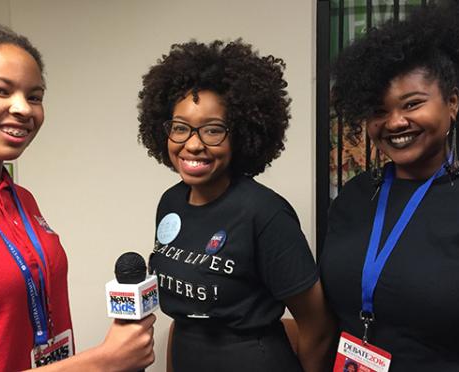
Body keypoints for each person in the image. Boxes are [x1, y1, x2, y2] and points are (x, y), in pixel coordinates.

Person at [0, 23, 155, 371]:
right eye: (0, 91)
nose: (23, 108)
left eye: (35, 96)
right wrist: (103, 362)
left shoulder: (20, 199)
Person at [138, 40, 334, 372]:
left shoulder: (266, 213)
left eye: (213, 130)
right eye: (181, 128)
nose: (194, 144)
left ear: (241, 134)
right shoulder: (170, 202)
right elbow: (183, 321)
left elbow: (318, 325)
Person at [320, 5, 459, 371]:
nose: (395, 122)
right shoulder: (352, 198)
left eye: (412, 104)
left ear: (452, 103)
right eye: (379, 110)